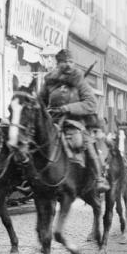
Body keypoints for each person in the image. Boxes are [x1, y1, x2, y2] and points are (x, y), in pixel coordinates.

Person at [39, 49, 109, 193]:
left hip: (75, 122)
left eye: (71, 61)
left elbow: (91, 103)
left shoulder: (79, 81)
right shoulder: (50, 82)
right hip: (52, 122)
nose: (69, 65)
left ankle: (98, 178)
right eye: (65, 62)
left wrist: (67, 108)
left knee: (84, 143)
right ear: (57, 64)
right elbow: (40, 102)